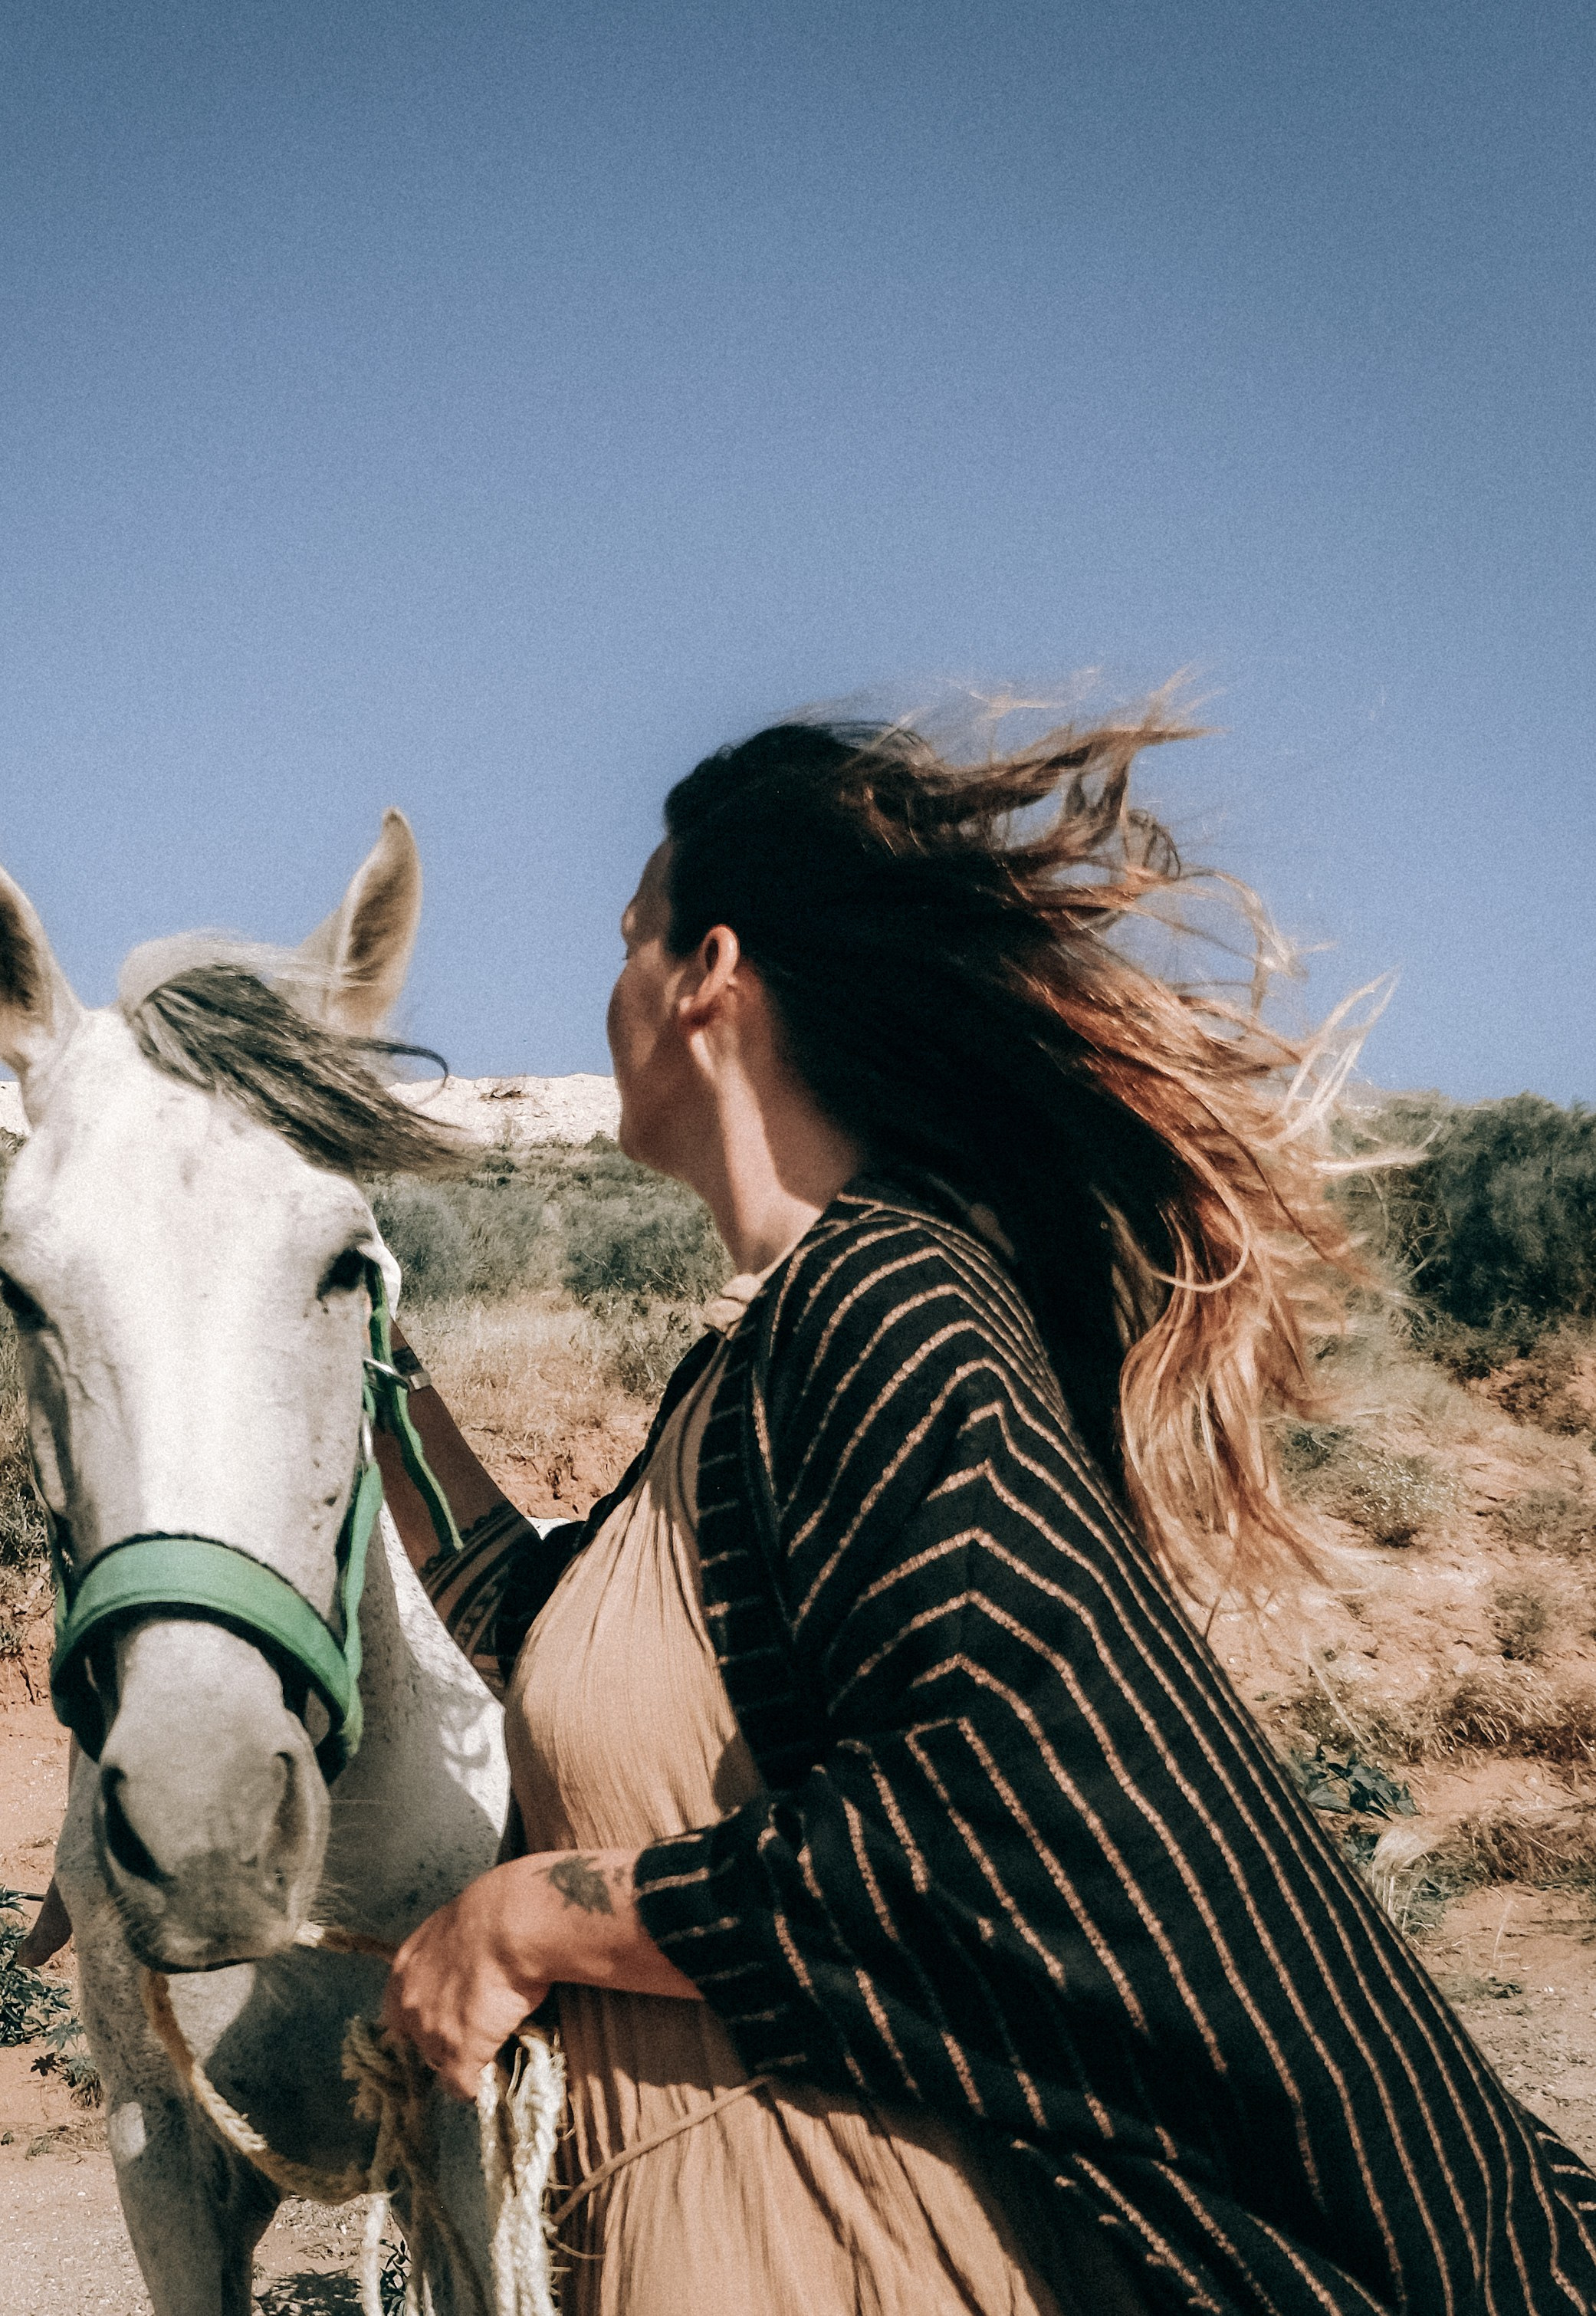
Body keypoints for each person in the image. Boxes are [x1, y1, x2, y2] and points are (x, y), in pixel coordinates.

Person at [371, 709, 1596, 2316]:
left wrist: (534, 1914)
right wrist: (359, 1364)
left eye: (626, 942)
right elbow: (549, 1631)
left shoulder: (886, 1301)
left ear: (704, 973)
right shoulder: (741, 1370)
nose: (602, 995)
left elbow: (995, 1821)